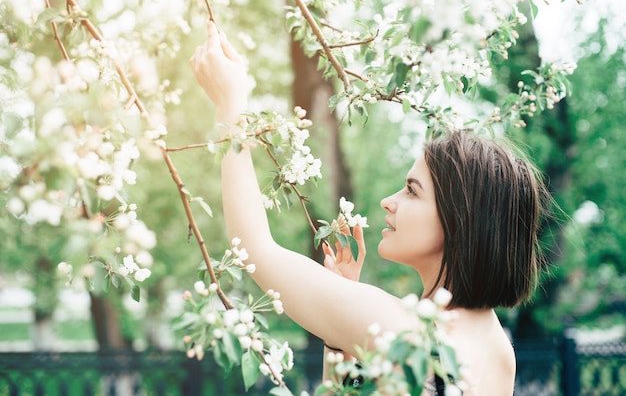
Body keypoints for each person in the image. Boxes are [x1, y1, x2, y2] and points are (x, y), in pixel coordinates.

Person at [190, 21, 547, 395]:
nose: (388, 202)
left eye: (412, 191)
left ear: (459, 221)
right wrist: (341, 330)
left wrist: (230, 106)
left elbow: (253, 250)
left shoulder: (397, 324)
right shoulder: (498, 347)